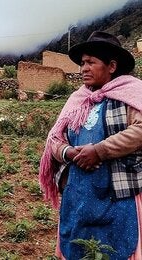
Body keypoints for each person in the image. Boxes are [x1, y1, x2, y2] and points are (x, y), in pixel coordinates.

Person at [39, 31, 142, 259]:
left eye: (91, 62)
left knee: (115, 250)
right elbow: (54, 140)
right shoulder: (78, 99)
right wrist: (67, 152)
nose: (83, 68)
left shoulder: (132, 94)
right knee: (78, 248)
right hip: (78, 195)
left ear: (112, 66)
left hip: (118, 197)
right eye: (82, 63)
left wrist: (99, 151)